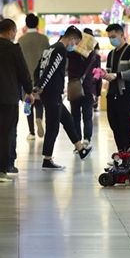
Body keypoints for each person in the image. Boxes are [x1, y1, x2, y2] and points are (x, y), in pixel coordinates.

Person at [33, 26, 92, 169]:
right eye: (76, 42)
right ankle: (47, 159)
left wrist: (37, 83)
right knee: (53, 126)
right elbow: (50, 69)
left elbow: (38, 68)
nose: (75, 46)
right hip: (52, 92)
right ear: (71, 38)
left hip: (51, 93)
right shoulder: (60, 49)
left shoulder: (50, 48)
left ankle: (81, 149)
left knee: (68, 120)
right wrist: (40, 86)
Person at [0, 19, 33, 181]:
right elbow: (23, 71)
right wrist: (28, 91)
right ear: (10, 31)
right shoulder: (13, 48)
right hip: (9, 97)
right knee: (5, 134)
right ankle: (3, 170)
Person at [104, 23, 130, 154]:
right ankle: (120, 151)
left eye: (113, 36)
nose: (111, 39)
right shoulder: (111, 54)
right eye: (109, 37)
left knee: (124, 125)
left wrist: (117, 75)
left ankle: (127, 152)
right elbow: (109, 73)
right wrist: (103, 74)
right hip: (112, 93)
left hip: (125, 94)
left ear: (121, 35)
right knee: (114, 124)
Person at [66, 29, 100, 150]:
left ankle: (78, 143)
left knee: (75, 116)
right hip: (88, 89)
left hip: (74, 88)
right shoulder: (95, 56)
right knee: (87, 117)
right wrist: (98, 93)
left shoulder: (72, 53)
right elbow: (98, 75)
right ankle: (87, 140)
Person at [18, 13, 49, 139]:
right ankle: (39, 118)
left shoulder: (21, 40)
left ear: (26, 24)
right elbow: (48, 58)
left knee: (28, 102)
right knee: (39, 102)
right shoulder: (44, 39)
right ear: (37, 24)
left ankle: (31, 132)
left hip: (26, 76)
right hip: (40, 76)